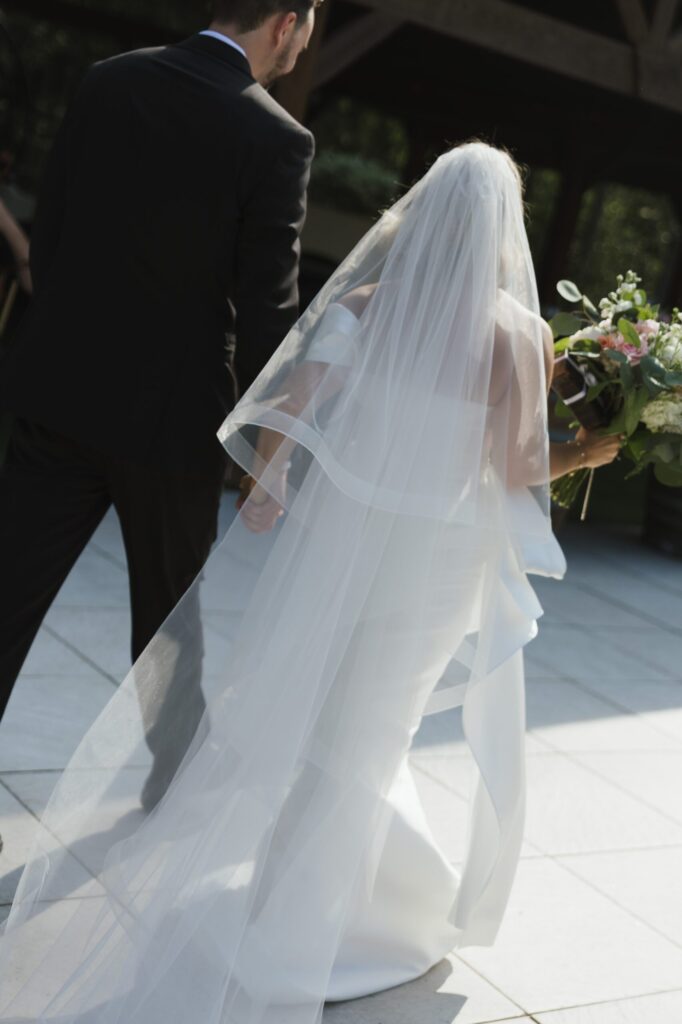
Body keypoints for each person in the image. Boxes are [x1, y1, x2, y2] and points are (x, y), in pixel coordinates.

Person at [0, 142, 621, 1022]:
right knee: (373, 731)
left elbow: (291, 401)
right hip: (435, 567)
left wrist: (274, 477)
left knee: (333, 723)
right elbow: (518, 468)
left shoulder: (367, 305)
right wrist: (593, 449)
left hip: (348, 547)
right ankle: (309, 931)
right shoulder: (521, 336)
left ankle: (336, 902)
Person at [0, 1, 320, 817]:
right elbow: (266, 313)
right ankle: (173, 791)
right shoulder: (277, 139)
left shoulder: (110, 82)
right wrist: (265, 448)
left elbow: (54, 236)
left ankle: (175, 777)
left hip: (56, 398)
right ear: (286, 23)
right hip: (172, 428)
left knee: (7, 599)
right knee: (168, 624)